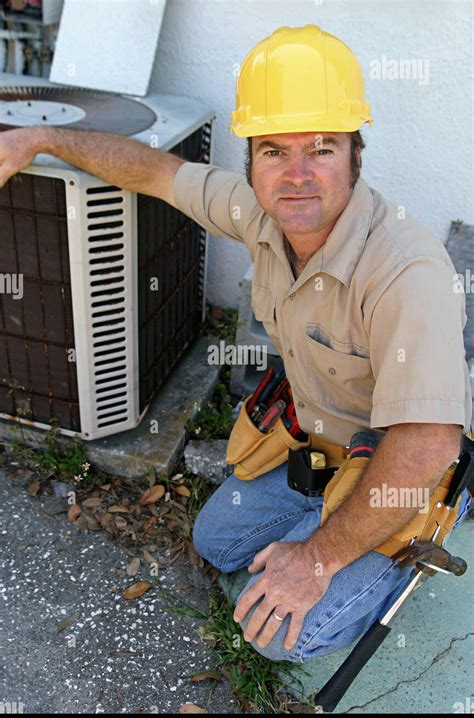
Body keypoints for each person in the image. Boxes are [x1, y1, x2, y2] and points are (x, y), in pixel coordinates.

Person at [0, 24, 471, 664]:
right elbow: (157, 171)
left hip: (402, 471)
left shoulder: (404, 272)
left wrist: (317, 558)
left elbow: (428, 442)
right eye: (275, 150)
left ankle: (405, 545)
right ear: (250, 160)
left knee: (281, 632)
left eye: (322, 147)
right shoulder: (259, 214)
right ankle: (324, 517)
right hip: (322, 447)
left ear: (357, 155)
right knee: (218, 541)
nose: (298, 175)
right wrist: (41, 136)